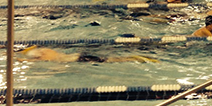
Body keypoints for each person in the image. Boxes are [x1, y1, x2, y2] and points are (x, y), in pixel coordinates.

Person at [16, 45, 158, 63]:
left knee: (113, 60)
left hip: (79, 58)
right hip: (79, 56)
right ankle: (136, 58)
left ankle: (136, 59)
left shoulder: (39, 56)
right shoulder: (41, 53)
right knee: (113, 59)